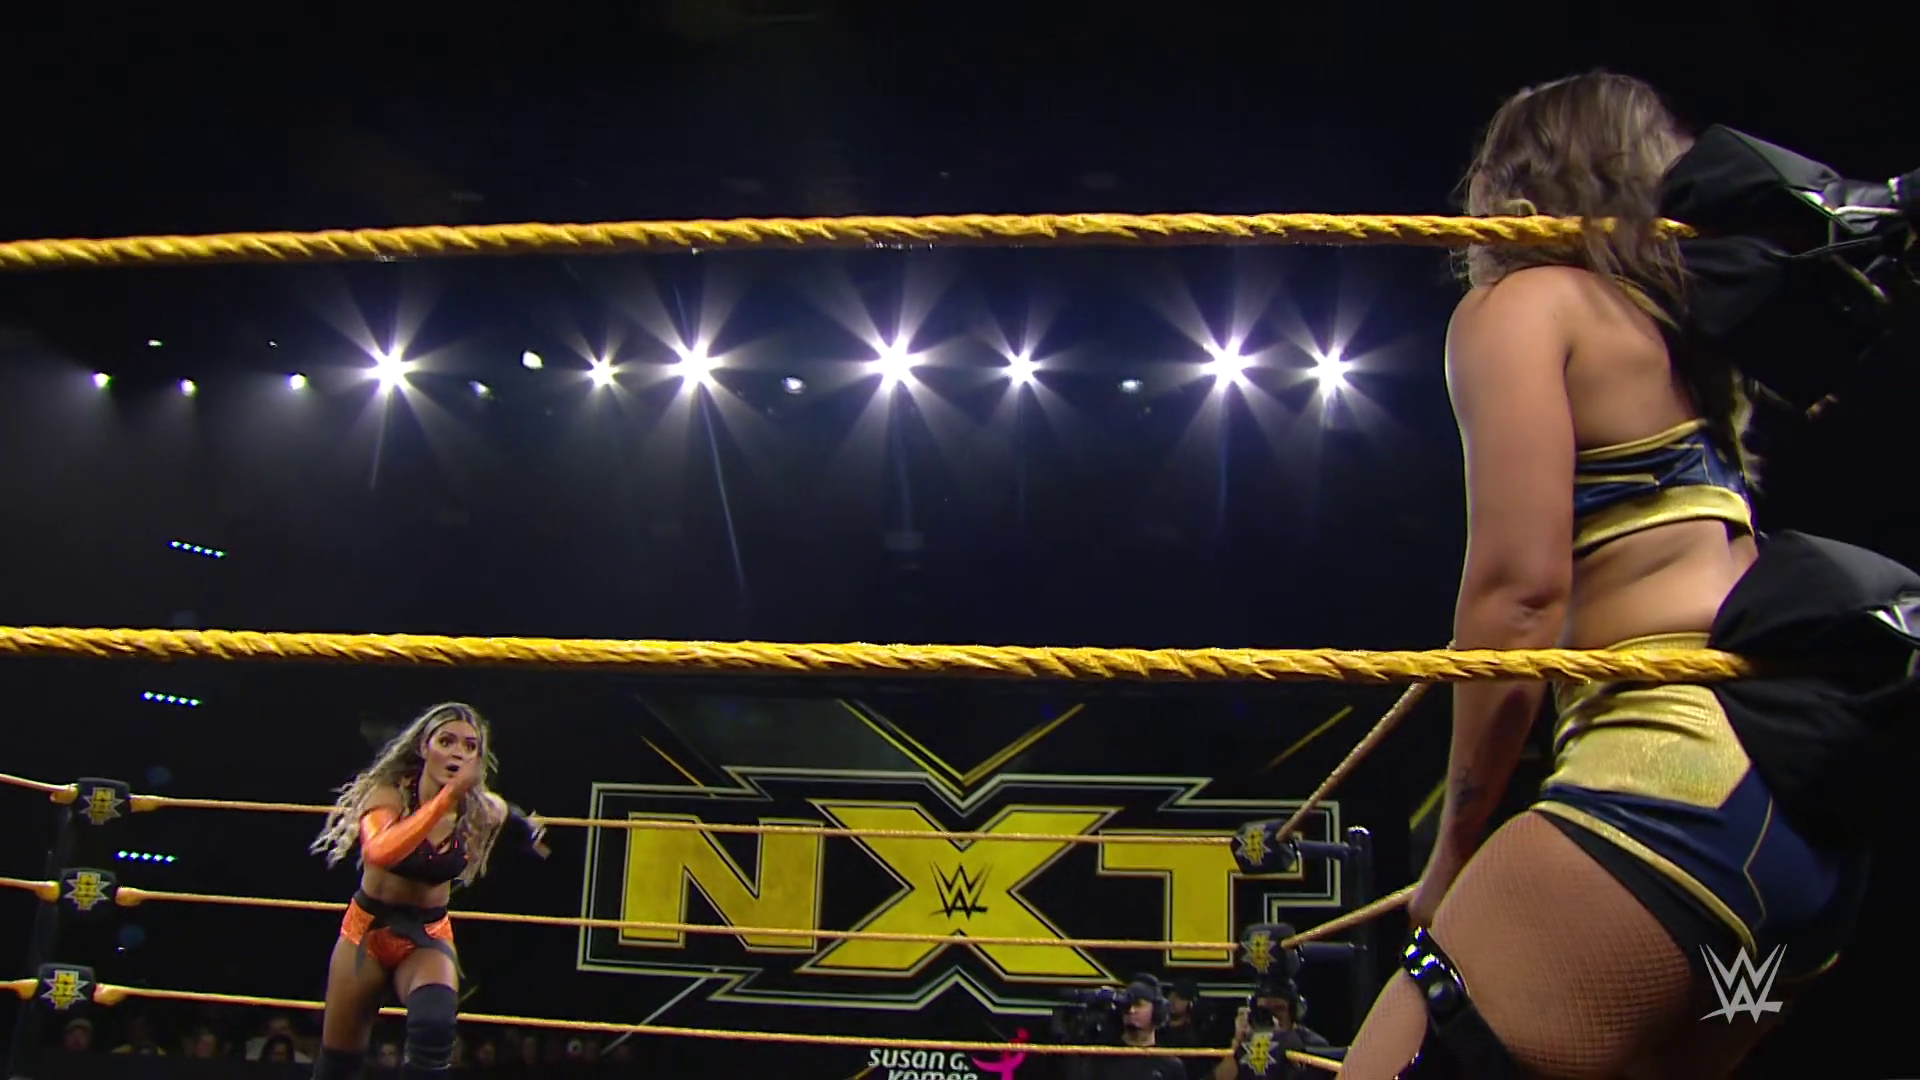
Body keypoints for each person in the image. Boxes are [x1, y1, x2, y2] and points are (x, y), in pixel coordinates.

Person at [1339, 72, 1889, 1079]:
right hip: (1803, 843)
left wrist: (1451, 856)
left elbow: (1519, 602)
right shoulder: (1684, 341)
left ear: (1508, 186)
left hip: (1669, 798)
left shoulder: (1526, 305)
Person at [307, 702, 545, 1079]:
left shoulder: (481, 810)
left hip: (427, 934)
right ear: (423, 747)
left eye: (469, 746)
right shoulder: (389, 795)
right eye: (446, 741)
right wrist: (445, 800)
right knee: (338, 1063)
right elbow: (379, 851)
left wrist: (533, 835)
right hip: (367, 931)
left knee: (435, 1030)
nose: (457, 753)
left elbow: (518, 823)